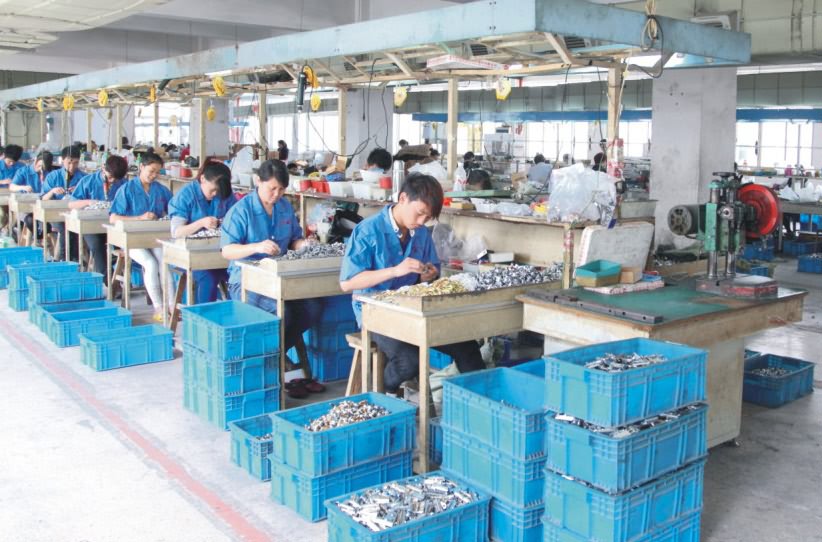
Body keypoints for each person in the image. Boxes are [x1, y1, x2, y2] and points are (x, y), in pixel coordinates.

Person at [339, 173, 486, 393]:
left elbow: (429, 271)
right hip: (376, 311)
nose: (421, 222)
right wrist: (394, 271)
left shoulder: (421, 233)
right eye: (419, 213)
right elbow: (348, 282)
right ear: (403, 198)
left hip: (414, 308)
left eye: (427, 218)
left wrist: (427, 275)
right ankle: (379, 393)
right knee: (409, 360)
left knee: (467, 348)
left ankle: (478, 402)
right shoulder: (368, 231)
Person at [220, 159, 324, 394]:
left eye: (281, 189)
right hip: (246, 282)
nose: (277, 194)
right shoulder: (241, 211)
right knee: (283, 312)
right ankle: (271, 364)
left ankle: (274, 354)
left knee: (313, 307)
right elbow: (227, 250)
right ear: (258, 181)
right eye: (272, 188)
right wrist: (256, 246)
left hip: (280, 278)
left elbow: (294, 239)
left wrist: (304, 244)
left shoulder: (284, 207)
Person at [109, 152, 172, 321]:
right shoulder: (126, 189)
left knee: (164, 262)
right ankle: (158, 308)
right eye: (151, 171)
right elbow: (113, 218)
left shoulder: (161, 190)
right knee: (150, 263)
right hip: (131, 238)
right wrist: (139, 218)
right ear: (141, 167)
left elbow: (173, 209)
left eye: (157, 172)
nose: (154, 175)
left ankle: (172, 306)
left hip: (153, 237)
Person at [168, 160, 235, 303]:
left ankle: (232, 313)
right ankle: (204, 315)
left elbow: (235, 218)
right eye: (213, 190)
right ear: (203, 179)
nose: (215, 194)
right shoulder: (186, 195)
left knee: (237, 276)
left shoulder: (225, 193)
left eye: (218, 191)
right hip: (190, 253)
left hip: (218, 253)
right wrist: (201, 223)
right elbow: (177, 232)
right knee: (209, 278)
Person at [68, 155, 128, 278]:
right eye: (110, 177)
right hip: (92, 225)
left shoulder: (124, 184)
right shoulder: (88, 181)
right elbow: (71, 204)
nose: (112, 181)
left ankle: (118, 276)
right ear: (103, 168)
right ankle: (105, 280)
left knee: (124, 244)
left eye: (116, 179)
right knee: (97, 245)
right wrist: (88, 202)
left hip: (113, 225)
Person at [39, 146, 84, 260]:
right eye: (69, 163)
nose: (72, 166)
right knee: (66, 227)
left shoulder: (83, 178)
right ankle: (64, 259)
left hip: (76, 213)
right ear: (62, 160)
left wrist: (78, 191)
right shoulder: (53, 176)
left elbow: (89, 199)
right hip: (56, 214)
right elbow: (43, 199)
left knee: (76, 227)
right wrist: (52, 191)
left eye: (76, 163)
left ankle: (74, 259)